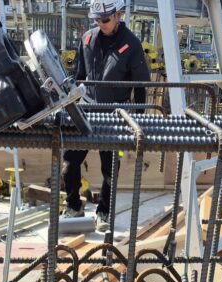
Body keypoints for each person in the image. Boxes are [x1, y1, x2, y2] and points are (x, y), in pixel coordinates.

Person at [63, 0, 150, 232]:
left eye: (105, 20)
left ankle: (104, 212)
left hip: (114, 115)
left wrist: (138, 120)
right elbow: (79, 76)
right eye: (96, 20)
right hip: (86, 111)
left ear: (119, 15)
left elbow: (140, 87)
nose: (100, 24)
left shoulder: (131, 45)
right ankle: (73, 205)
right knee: (69, 162)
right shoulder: (88, 40)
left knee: (110, 169)